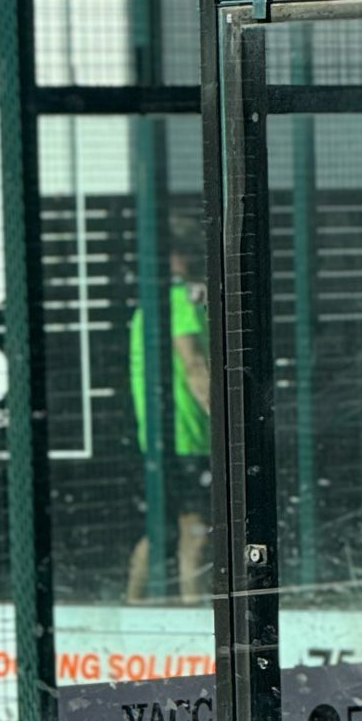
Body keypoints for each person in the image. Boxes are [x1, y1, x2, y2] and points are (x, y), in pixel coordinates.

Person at [126, 230, 212, 605]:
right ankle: (196, 612)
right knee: (195, 531)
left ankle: (132, 604)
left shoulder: (152, 305)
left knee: (161, 529)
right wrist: (228, 419)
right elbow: (193, 363)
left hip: (162, 437)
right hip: (187, 436)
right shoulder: (178, 302)